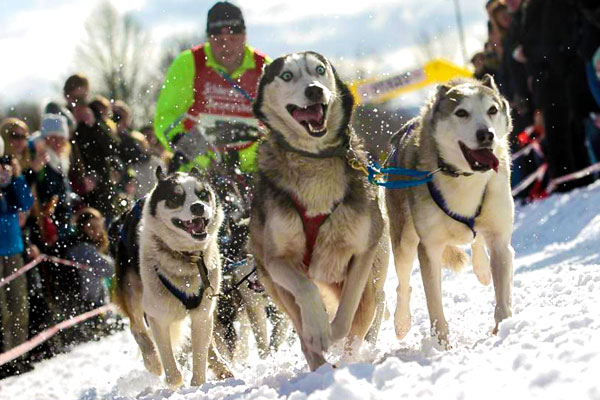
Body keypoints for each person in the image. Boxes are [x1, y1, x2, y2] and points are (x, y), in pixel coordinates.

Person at [154, 1, 269, 174]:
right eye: (219, 40)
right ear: (208, 38)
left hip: (253, 171)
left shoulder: (265, 67)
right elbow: (166, 118)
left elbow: (279, 123)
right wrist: (201, 159)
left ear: (244, 37)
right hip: (198, 170)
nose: (226, 46)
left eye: (233, 39)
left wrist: (243, 162)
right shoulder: (188, 63)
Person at [0, 139, 34, 354]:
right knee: (1, 309)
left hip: (13, 247)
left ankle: (20, 354)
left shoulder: (9, 176)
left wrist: (16, 177)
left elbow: (25, 203)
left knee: (19, 302)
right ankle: (5, 354)